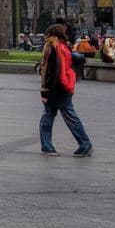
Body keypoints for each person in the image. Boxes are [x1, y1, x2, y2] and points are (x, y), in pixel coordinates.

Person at [39, 23, 93, 157]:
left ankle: (84, 143)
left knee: (56, 116)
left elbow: (49, 70)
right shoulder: (64, 46)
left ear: (51, 34)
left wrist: (45, 91)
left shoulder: (51, 46)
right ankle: (48, 145)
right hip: (65, 84)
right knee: (57, 115)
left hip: (56, 87)